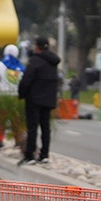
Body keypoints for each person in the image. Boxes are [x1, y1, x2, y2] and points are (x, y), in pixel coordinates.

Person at [17, 36, 60, 165]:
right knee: (45, 127)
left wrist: (21, 93)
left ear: (37, 47)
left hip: (34, 99)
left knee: (32, 127)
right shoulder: (53, 62)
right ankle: (44, 154)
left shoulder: (35, 61)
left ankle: (29, 155)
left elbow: (27, 80)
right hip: (48, 99)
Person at [0, 44, 24, 150]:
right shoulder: (21, 67)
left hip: (3, 98)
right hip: (16, 98)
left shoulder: (0, 65)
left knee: (0, 121)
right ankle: (18, 141)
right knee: (16, 121)